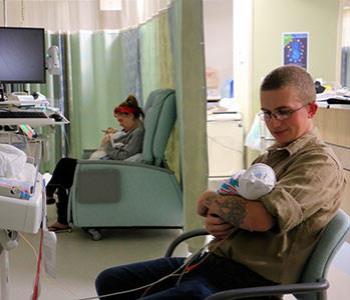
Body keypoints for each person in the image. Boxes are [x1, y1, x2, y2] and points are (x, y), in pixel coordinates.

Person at [94, 65, 346, 300]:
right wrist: (218, 217)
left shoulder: (318, 165)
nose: (273, 122)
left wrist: (211, 200)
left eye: (283, 112)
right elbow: (230, 205)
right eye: (267, 113)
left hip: (249, 283)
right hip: (214, 262)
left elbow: (260, 219)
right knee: (110, 281)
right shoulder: (271, 156)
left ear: (311, 109)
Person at [46, 95, 145, 232]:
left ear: (131, 116)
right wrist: (115, 136)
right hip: (107, 166)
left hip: (109, 170)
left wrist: (107, 145)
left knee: (65, 165)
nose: (120, 123)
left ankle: (50, 195)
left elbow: (124, 156)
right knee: (63, 174)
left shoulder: (138, 133)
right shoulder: (131, 130)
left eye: (121, 120)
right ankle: (57, 209)